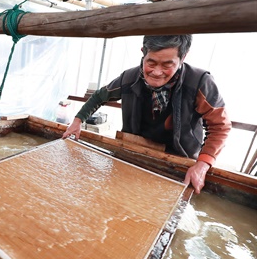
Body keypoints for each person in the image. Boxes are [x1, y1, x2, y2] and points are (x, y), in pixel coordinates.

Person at [62, 35, 231, 194]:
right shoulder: (129, 78)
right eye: (151, 63)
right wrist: (77, 121)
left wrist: (202, 164)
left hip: (178, 162)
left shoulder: (199, 82)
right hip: (133, 156)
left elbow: (220, 126)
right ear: (143, 53)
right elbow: (99, 96)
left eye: (167, 65)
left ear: (183, 57)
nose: (157, 72)